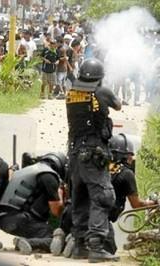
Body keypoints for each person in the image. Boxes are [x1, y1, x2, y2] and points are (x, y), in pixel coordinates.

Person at [66, 58, 121, 263]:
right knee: (103, 196)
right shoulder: (102, 91)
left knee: (79, 197)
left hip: (74, 152)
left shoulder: (71, 92)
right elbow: (118, 105)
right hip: (93, 153)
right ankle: (96, 246)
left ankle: (80, 245)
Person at [0, 152, 66, 255]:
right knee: (56, 239)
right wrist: (60, 194)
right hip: (20, 220)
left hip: (4, 220)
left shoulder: (27, 170)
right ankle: (29, 243)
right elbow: (56, 211)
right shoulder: (49, 175)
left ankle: (27, 241)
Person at [105, 133, 157, 254]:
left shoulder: (103, 168)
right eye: (130, 155)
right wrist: (154, 203)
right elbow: (136, 204)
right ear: (124, 155)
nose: (131, 159)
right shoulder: (126, 173)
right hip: (102, 220)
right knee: (108, 251)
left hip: (84, 216)